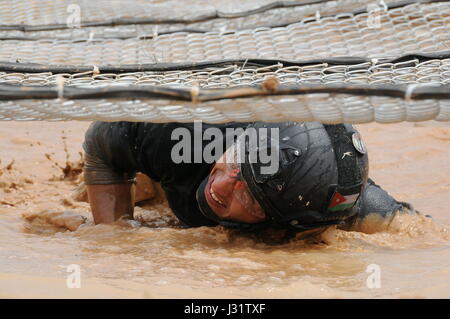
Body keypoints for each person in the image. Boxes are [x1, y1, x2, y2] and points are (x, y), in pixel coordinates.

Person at [82, 121, 416, 239]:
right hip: (177, 162)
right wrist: (114, 231)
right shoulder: (180, 138)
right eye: (235, 163)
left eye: (252, 197)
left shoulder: (332, 206)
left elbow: (419, 235)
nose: (221, 186)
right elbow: (102, 138)